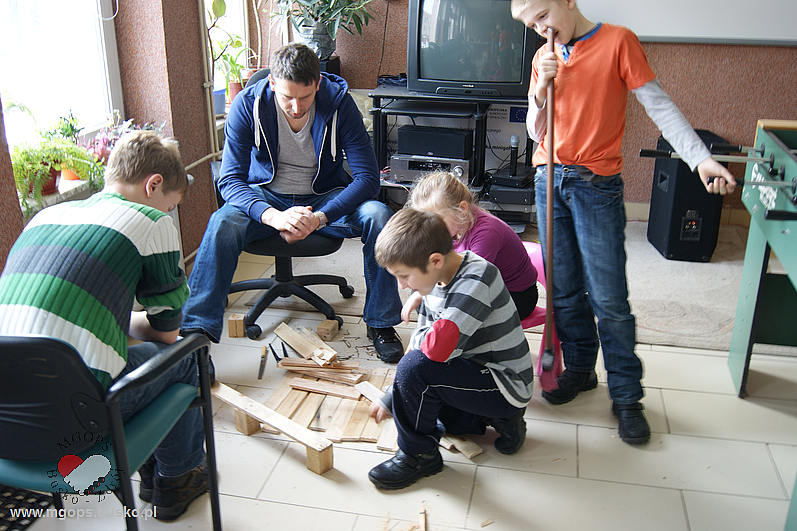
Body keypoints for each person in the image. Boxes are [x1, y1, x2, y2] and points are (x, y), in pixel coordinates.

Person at [510, 0, 737, 444]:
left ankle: (628, 396)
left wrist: (700, 159)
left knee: (609, 297)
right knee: (564, 289)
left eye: (543, 15)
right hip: (547, 179)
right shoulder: (543, 57)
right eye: (531, 24)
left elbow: (659, 106)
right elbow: (536, 131)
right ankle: (579, 368)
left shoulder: (618, 41)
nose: (540, 28)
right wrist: (539, 93)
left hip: (595, 185)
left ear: (568, 2)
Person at [0, 131, 209, 521]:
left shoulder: (43, 217)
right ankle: (176, 479)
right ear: (154, 184)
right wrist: (133, 327)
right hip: (76, 419)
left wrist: (113, 324)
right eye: (170, 207)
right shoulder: (150, 222)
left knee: (126, 350)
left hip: (6, 425)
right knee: (187, 354)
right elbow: (165, 333)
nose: (168, 215)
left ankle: (154, 469)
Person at [181, 42, 404, 362]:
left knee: (379, 215)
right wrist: (272, 216)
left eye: (305, 97)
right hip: (266, 194)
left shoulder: (339, 104)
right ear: (272, 84)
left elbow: (368, 179)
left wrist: (321, 217)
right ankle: (196, 340)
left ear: (318, 83)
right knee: (222, 223)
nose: (297, 107)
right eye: (287, 97)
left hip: (324, 197)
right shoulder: (247, 105)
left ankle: (381, 323)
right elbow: (230, 180)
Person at [367, 208, 533, 490]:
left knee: (415, 373)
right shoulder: (436, 278)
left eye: (404, 276)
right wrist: (392, 396)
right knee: (427, 404)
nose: (403, 286)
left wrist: (401, 391)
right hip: (474, 370)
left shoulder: (477, 278)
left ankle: (419, 455)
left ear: (435, 260)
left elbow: (436, 352)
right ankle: (498, 418)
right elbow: (420, 340)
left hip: (504, 382)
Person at [406, 170, 539, 321]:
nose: (430, 229)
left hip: (517, 296)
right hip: (483, 287)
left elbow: (471, 283)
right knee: (421, 292)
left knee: (443, 304)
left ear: (462, 209)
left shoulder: (486, 233)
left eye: (436, 221)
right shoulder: (451, 226)